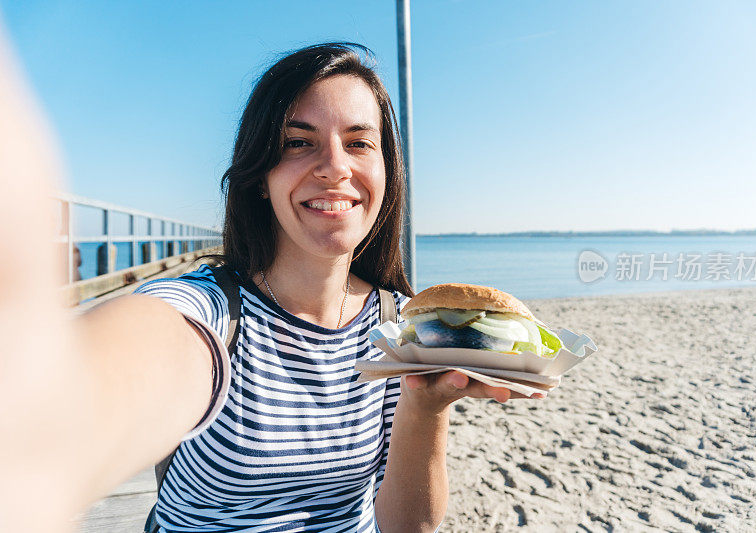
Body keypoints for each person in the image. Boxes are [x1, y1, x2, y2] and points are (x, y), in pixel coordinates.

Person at [0, 32, 548, 533]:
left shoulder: (402, 325)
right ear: (260, 177)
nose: (335, 167)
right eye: (298, 142)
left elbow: (408, 526)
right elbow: (98, 389)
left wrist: (426, 406)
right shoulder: (213, 312)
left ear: (387, 172)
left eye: (359, 143)